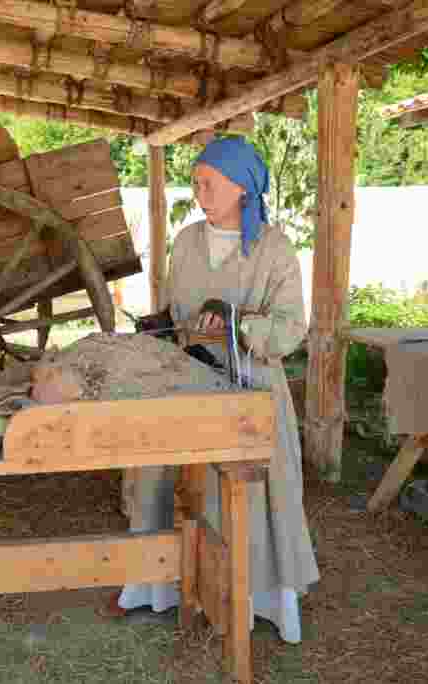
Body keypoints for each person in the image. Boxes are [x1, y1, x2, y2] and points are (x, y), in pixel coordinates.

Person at [101, 136, 319, 644]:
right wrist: (163, 326)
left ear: (242, 187)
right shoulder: (187, 241)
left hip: (251, 388)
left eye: (209, 183)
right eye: (196, 182)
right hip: (185, 381)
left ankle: (259, 595)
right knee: (159, 475)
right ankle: (156, 585)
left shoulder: (274, 246)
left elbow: (291, 327)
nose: (199, 192)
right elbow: (179, 315)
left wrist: (238, 325)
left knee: (252, 492)